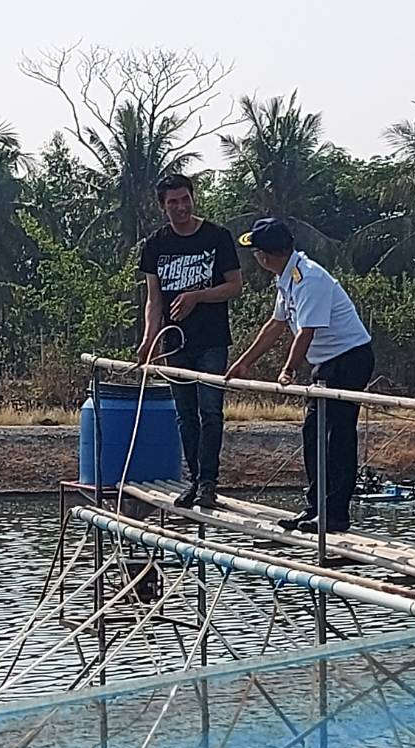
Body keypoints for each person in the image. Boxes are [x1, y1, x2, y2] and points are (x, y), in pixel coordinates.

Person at [226, 218, 375, 534]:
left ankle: (335, 514)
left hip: (349, 359)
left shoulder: (309, 279)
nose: (256, 258)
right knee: (314, 435)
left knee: (337, 437)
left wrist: (288, 370)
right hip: (326, 363)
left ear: (267, 255)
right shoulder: (287, 278)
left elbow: (306, 332)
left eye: (256, 252)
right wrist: (244, 363)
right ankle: (316, 507)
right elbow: (276, 326)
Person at [138, 173, 243, 510]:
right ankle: (195, 480)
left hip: (211, 340)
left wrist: (199, 296)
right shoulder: (155, 245)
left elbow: (235, 286)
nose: (181, 207)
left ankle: (209, 482)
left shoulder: (218, 237)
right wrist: (149, 339)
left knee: (210, 411)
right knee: (185, 414)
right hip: (176, 343)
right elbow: (154, 298)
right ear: (163, 207)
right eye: (173, 202)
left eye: (186, 199)